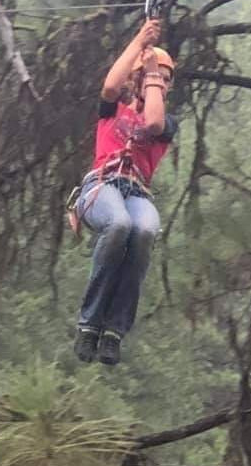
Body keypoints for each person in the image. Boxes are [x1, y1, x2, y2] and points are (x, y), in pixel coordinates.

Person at [72, 18, 177, 365]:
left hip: (136, 193)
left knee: (144, 230)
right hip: (101, 185)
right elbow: (108, 85)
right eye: (151, 76)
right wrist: (139, 41)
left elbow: (154, 124)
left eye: (164, 79)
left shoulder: (166, 123)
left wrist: (153, 76)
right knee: (118, 226)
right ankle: (89, 324)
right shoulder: (112, 109)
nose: (156, 81)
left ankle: (114, 330)